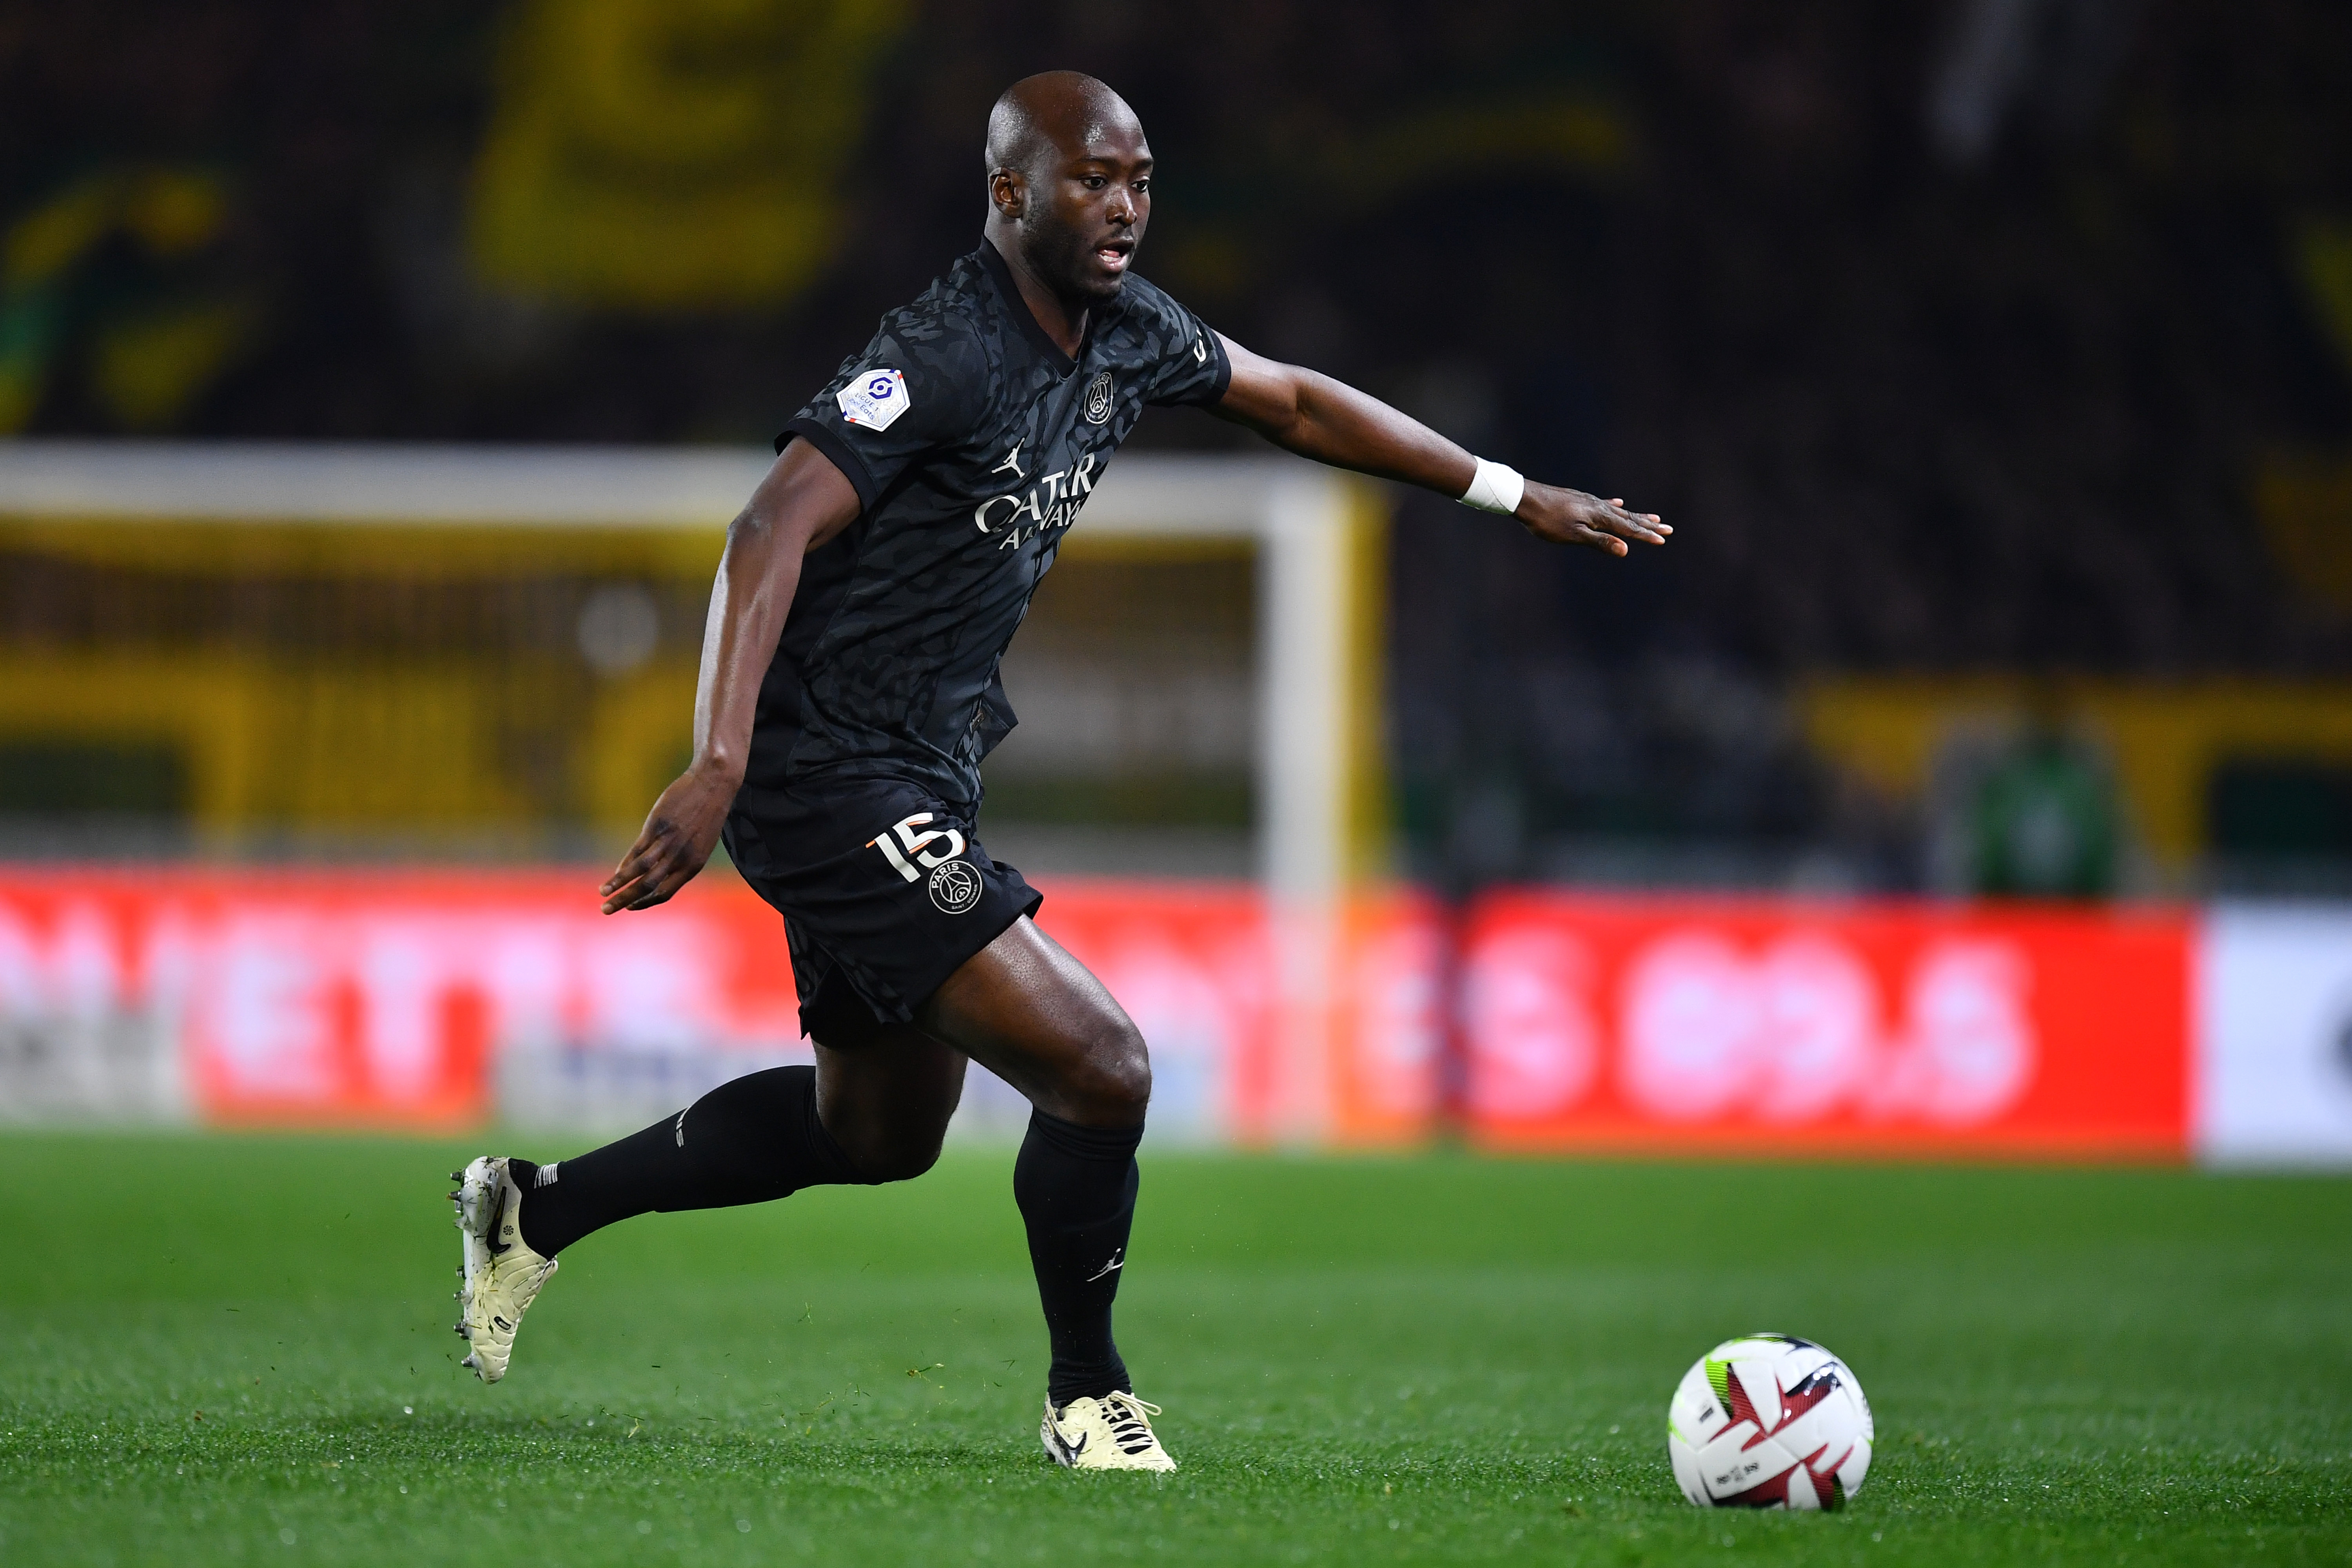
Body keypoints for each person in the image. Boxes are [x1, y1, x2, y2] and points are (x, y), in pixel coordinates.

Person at [446, 69, 1667, 1473]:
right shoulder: (946, 351)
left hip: (922, 770)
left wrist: (1511, 493)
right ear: (1010, 190)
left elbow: (1299, 406)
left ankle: (532, 1212)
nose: (1127, 206)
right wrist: (717, 761)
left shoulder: (1130, 334)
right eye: (1094, 178)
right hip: (823, 773)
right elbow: (767, 527)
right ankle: (1087, 1396)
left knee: (879, 1133)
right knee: (1103, 1067)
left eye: (1142, 178)